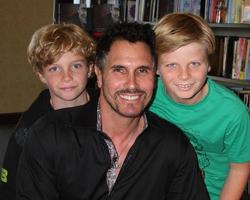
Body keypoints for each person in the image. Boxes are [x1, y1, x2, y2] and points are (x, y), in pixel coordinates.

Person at [16, 22, 209, 199]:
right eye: (119, 70)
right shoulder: (50, 135)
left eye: (142, 70)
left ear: (154, 76)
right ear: (98, 75)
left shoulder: (173, 146)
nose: (132, 84)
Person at [149, 13, 250, 200]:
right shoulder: (148, 96)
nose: (184, 75)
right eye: (171, 65)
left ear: (209, 64)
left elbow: (240, 168)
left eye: (194, 63)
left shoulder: (233, 113)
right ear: (155, 67)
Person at [0, 23, 96, 200]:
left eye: (76, 66)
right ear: (41, 75)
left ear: (90, 69)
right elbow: (9, 187)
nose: (66, 77)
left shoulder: (108, 107)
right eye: (54, 68)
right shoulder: (29, 130)